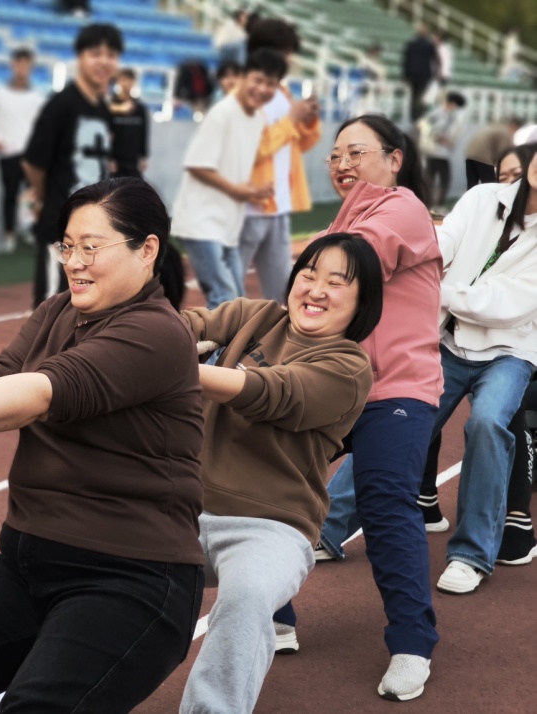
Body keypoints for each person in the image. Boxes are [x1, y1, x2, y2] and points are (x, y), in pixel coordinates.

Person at [0, 177, 206, 713]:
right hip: (27, 564)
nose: (74, 262)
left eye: (91, 247)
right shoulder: (57, 311)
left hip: (133, 577)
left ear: (148, 250)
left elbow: (38, 394)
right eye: (67, 246)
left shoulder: (156, 332)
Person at [180, 233, 382, 713]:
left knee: (247, 596)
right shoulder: (253, 315)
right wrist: (165, 337)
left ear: (362, 301)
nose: (316, 289)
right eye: (309, 274)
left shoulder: (349, 366)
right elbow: (182, 325)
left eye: (336, 282)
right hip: (183, 508)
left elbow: (268, 392)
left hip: (271, 527)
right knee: (99, 556)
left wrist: (174, 366)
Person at [279, 114, 444, 702]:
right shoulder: (340, 224)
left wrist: (305, 271)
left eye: (356, 152)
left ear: (394, 159)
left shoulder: (403, 208)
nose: (342, 164)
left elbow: (348, 272)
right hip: (329, 385)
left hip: (395, 389)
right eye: (334, 156)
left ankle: (412, 643)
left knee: (385, 502)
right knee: (272, 485)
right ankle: (273, 613)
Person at [414, 143, 537, 574]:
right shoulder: (482, 199)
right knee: (397, 415)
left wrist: (439, 290)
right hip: (449, 339)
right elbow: (440, 245)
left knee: (489, 421)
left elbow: (506, 303)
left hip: (510, 350)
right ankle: (329, 526)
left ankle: (472, 553)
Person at [171, 49, 284, 309]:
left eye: (270, 84)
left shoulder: (257, 118)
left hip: (227, 226)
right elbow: (197, 165)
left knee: (237, 302)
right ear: (243, 78)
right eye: (258, 80)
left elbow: (232, 170)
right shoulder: (221, 114)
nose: (262, 89)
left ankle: (219, 339)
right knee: (224, 299)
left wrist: (254, 190)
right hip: (201, 223)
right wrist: (236, 190)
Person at [22, 22, 122, 307]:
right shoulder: (61, 105)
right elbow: (33, 162)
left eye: (111, 55)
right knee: (52, 309)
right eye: (95, 53)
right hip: (60, 226)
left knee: (88, 308)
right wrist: (45, 197)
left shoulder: (103, 108)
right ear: (80, 56)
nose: (104, 61)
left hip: (95, 227)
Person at [241, 19, 321, 303]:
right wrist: (290, 120)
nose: (289, 60)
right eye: (286, 52)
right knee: (230, 287)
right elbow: (251, 148)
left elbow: (298, 145)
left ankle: (282, 332)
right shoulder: (245, 93)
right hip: (248, 205)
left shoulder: (283, 93)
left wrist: (307, 120)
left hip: (277, 204)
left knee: (283, 291)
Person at [0, 48, 46, 248]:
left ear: (31, 67)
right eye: (19, 64)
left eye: (26, 65)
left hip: (31, 154)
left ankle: (31, 229)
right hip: (8, 153)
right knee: (10, 194)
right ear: (13, 65)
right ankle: (9, 233)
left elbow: (44, 126)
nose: (23, 69)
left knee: (33, 194)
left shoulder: (37, 98)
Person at [420, 91, 467, 213]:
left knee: (437, 180)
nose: (456, 108)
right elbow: (424, 126)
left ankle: (433, 205)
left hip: (442, 154)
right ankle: (430, 205)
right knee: (437, 180)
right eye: (456, 105)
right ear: (451, 103)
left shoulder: (450, 116)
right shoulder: (437, 114)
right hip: (434, 153)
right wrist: (439, 137)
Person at [109, 67, 150, 179]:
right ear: (118, 82)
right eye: (123, 80)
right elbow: (107, 134)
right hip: (116, 162)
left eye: (129, 80)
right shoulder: (111, 106)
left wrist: (144, 156)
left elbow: (143, 132)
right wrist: (109, 158)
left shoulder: (139, 108)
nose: (126, 83)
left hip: (133, 161)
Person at [463, 117, 523, 188]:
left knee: (471, 185)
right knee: (491, 185)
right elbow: (503, 152)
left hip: (470, 155)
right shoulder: (505, 132)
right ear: (514, 125)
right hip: (483, 157)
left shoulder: (497, 127)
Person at [402, 23, 438, 122]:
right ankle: (417, 117)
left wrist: (405, 74)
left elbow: (406, 60)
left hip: (413, 73)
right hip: (424, 74)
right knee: (420, 95)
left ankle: (413, 116)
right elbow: (435, 60)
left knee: (414, 95)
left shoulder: (411, 44)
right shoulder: (429, 45)